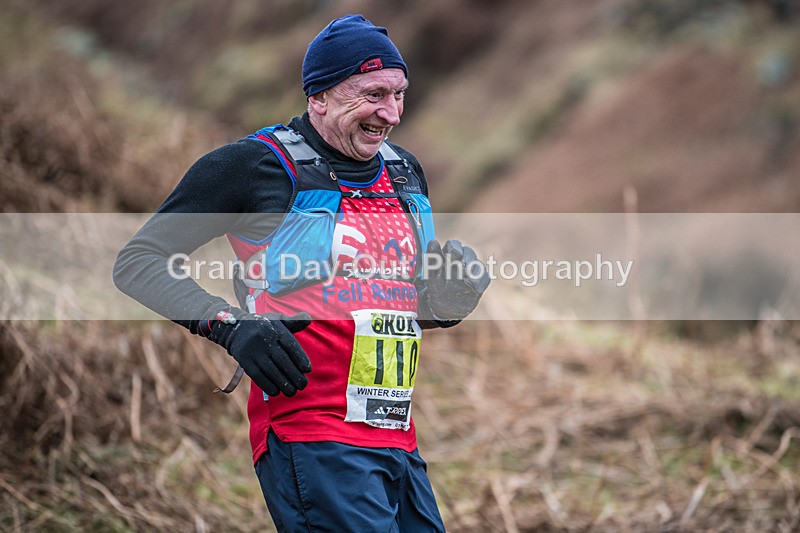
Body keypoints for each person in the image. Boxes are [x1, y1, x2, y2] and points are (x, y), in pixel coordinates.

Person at [114, 14, 489, 532]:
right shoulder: (252, 166)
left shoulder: (404, 171)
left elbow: (387, 302)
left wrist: (442, 305)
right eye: (373, 94)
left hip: (396, 434)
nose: (392, 113)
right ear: (319, 97)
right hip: (309, 434)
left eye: (399, 94)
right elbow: (138, 262)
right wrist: (227, 325)